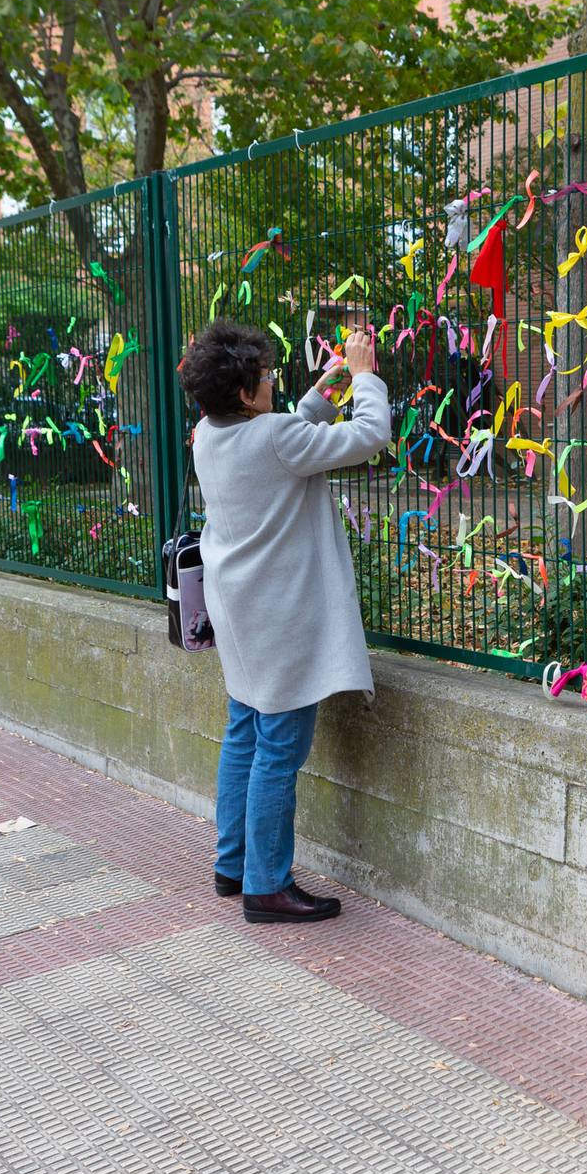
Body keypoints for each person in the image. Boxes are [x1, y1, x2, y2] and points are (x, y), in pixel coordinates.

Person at [177, 319, 389, 923]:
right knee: (278, 748)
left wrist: (322, 394)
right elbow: (371, 434)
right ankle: (266, 887)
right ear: (245, 394)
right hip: (281, 619)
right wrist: (366, 375)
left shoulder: (207, 434)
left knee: (243, 729)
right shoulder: (273, 438)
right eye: (265, 377)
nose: (272, 382)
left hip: (240, 611)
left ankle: (233, 863)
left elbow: (285, 435)